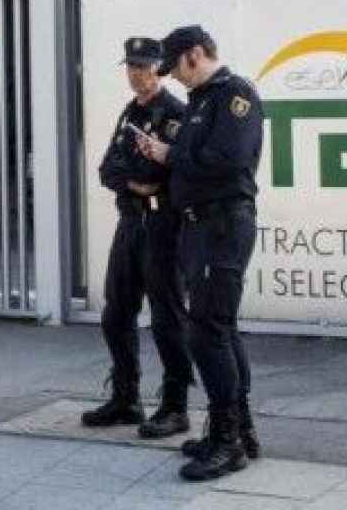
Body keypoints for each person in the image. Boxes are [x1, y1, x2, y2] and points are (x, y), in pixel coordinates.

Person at [137, 25, 264, 482]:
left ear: (195, 55)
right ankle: (237, 430)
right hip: (200, 225)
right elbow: (195, 156)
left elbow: (226, 159)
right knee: (218, 329)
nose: (175, 78)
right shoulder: (200, 100)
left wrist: (171, 156)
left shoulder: (235, 95)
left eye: (176, 68)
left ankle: (228, 441)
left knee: (209, 332)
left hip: (222, 224)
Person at [83, 37, 193, 438]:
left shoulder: (176, 114)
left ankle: (175, 406)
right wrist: (133, 181)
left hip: (164, 227)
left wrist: (139, 178)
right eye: (131, 67)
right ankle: (126, 398)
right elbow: (107, 170)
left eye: (144, 67)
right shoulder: (130, 112)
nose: (137, 75)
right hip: (130, 222)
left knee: (167, 319)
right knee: (116, 314)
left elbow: (163, 176)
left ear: (159, 70)